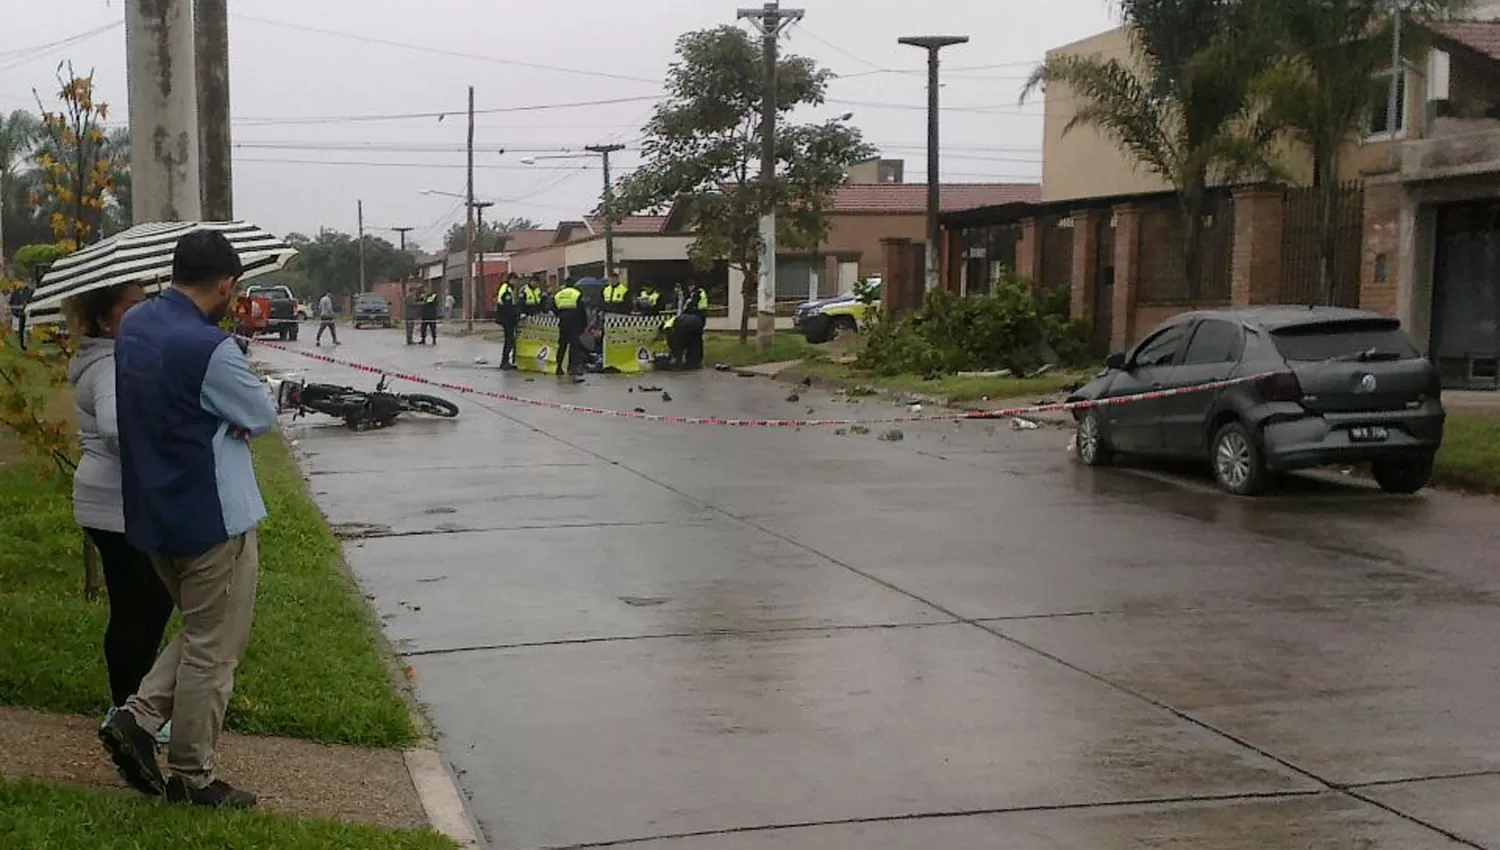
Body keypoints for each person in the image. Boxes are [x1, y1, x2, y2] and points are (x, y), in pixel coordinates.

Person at [104, 229, 278, 810]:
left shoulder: (136, 326)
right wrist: (229, 414)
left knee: (205, 630)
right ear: (226, 286)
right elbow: (260, 413)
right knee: (213, 650)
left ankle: (137, 717)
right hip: (212, 518)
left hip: (154, 511)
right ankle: (192, 776)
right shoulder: (211, 349)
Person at [66, 282, 176, 736]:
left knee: (155, 603)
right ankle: (127, 711)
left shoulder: (120, 357)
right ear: (106, 320)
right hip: (115, 503)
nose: (143, 312)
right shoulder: (110, 363)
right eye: (132, 306)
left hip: (124, 500)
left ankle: (139, 705)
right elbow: (116, 429)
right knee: (137, 607)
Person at [552, 279, 586, 377]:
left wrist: (561, 315)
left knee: (562, 346)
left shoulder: (558, 295)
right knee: (574, 346)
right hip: (574, 324)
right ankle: (572, 368)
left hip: (563, 324)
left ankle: (558, 367)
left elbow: (554, 308)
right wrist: (583, 324)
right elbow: (581, 310)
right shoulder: (577, 294)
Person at [494, 275, 519, 369]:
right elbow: (508, 305)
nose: (516, 282)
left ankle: (506, 361)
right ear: (511, 280)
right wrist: (516, 314)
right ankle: (504, 362)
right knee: (509, 340)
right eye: (515, 280)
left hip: (508, 318)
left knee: (509, 340)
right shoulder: (506, 289)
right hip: (506, 318)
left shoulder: (509, 288)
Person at [9, 283, 33, 349]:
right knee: (17, 331)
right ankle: (19, 345)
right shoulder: (14, 293)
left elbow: (32, 300)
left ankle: (29, 345)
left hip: (27, 313)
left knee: (28, 331)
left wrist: (27, 304)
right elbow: (11, 302)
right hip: (16, 314)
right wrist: (13, 309)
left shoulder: (30, 291)